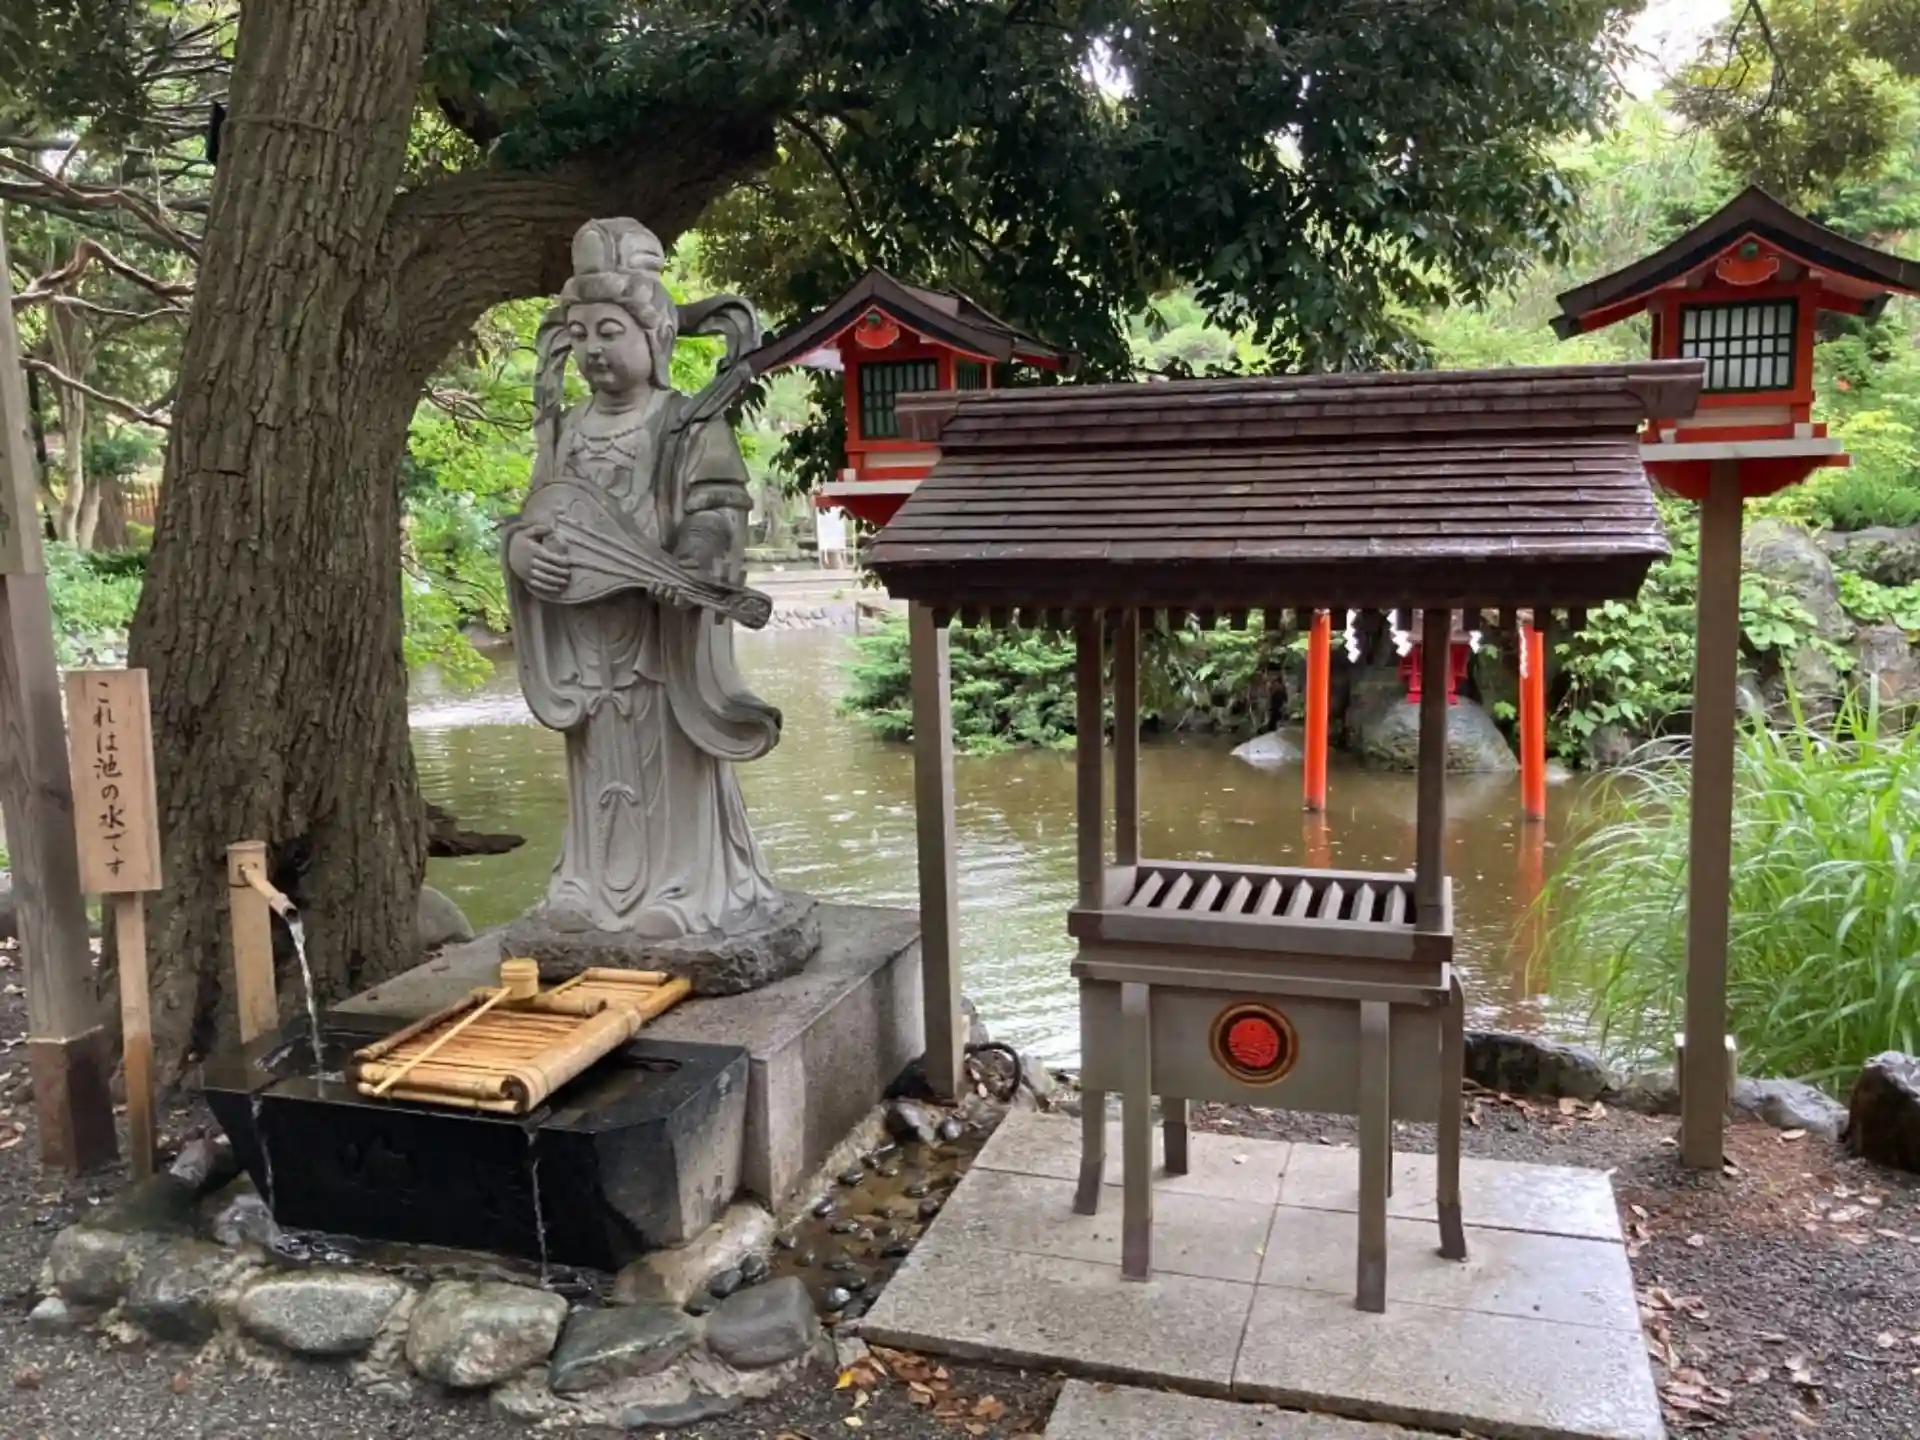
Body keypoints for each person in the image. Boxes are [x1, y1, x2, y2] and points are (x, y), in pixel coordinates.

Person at [500, 218, 781, 939]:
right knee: (598, 764)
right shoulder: (563, 430)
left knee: (669, 760)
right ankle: (588, 885)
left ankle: (687, 888)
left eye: (610, 331)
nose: (593, 349)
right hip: (585, 632)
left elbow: (718, 510)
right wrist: (523, 556)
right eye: (580, 334)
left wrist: (691, 560)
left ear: (655, 338)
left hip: (660, 639)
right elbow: (538, 515)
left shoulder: (685, 424)